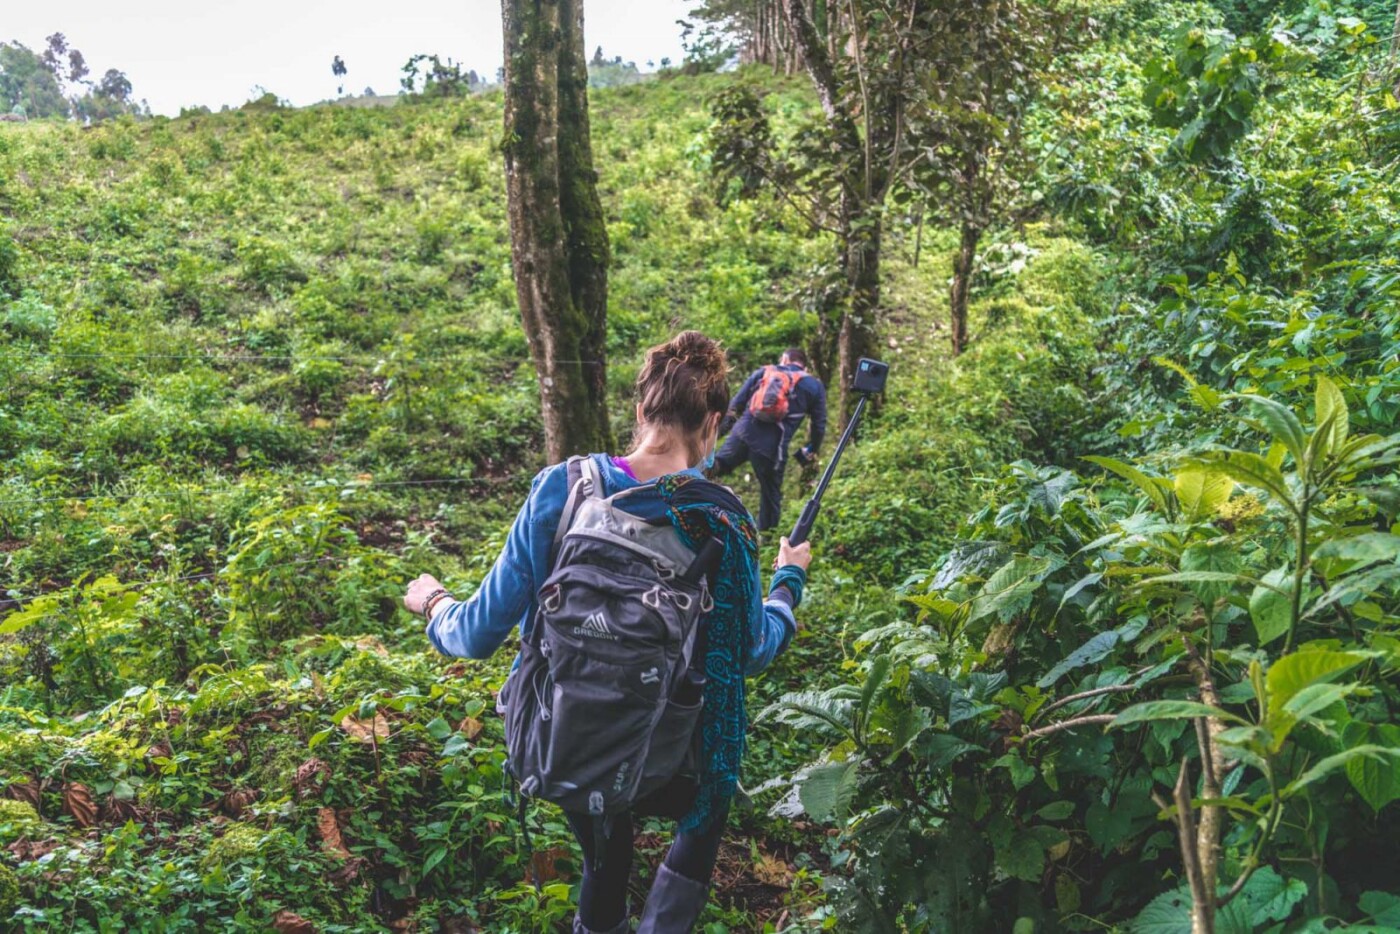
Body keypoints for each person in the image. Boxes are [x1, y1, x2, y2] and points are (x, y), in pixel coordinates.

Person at [403, 331, 813, 934]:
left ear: (642, 408)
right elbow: (751, 650)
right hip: (683, 761)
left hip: (570, 742)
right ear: (715, 422)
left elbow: (473, 636)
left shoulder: (562, 489)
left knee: (605, 853)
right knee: (701, 813)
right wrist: (787, 585)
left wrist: (433, 600)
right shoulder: (721, 518)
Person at [710, 347, 827, 532]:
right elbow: (819, 424)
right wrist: (813, 448)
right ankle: (765, 537)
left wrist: (713, 437)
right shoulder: (814, 386)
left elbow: (734, 407)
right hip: (772, 448)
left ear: (785, 359)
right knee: (770, 494)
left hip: (741, 434)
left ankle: (690, 499)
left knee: (715, 467)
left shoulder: (765, 372)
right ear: (804, 365)